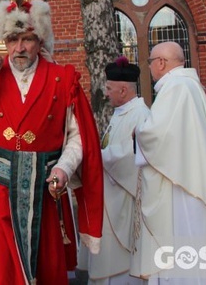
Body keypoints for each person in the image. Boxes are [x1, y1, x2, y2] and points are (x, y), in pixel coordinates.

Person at [0, 0, 103, 284]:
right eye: (13, 39)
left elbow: (78, 138)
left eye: (28, 39)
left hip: (43, 194)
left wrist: (64, 167)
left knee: (43, 270)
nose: (20, 48)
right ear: (4, 40)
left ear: (40, 41)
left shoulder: (63, 80)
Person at [132, 41, 206, 284]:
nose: (150, 67)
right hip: (191, 179)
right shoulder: (190, 86)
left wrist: (137, 131)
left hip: (182, 187)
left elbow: (157, 135)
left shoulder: (176, 88)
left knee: (184, 243)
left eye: (151, 62)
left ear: (161, 63)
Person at [87, 56, 149, 285]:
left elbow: (133, 155)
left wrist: (95, 156)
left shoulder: (140, 115)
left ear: (123, 90)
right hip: (111, 195)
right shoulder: (120, 113)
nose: (106, 92)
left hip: (124, 200)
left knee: (122, 264)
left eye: (110, 88)